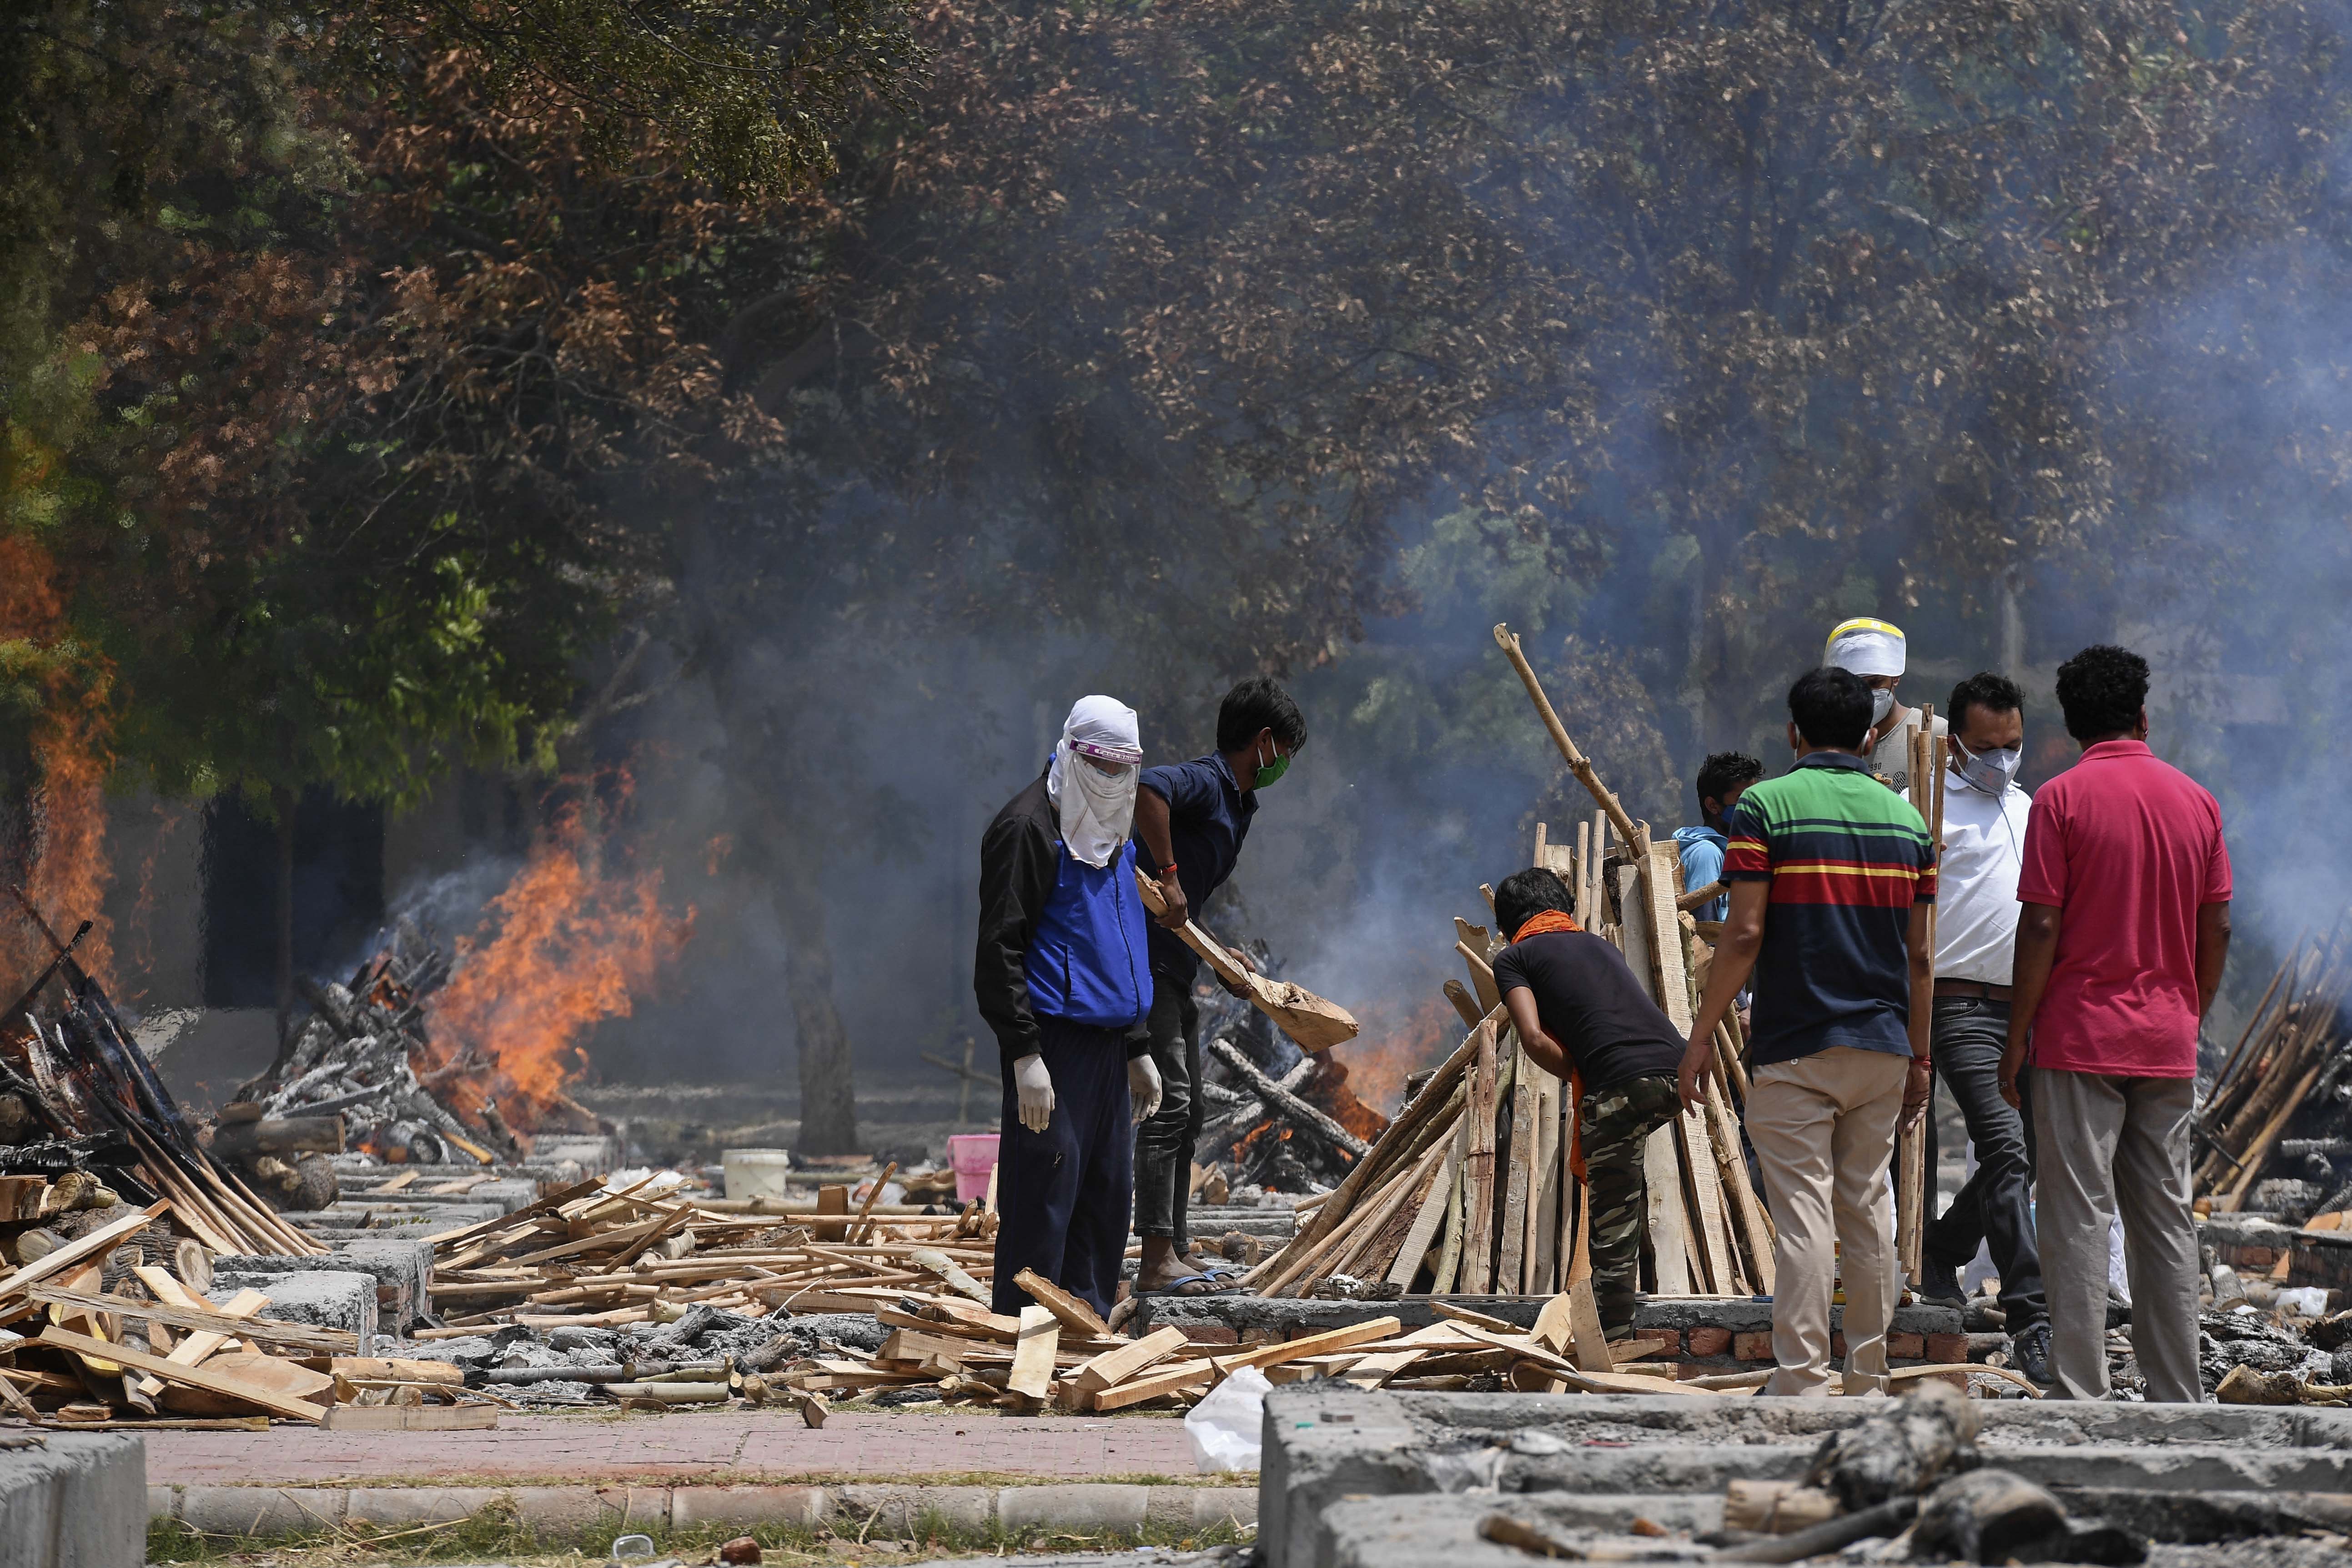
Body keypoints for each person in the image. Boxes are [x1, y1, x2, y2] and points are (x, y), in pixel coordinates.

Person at [1681, 666, 1936, 1396]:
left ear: (1792, 733)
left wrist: (1701, 1036)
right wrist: (1922, 1055)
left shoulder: (1766, 806)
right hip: (1884, 1046)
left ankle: (1799, 1378)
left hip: (1797, 1044)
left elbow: (1744, 932)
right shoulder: (1908, 822)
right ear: (1867, 735)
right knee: (1867, 1212)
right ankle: (1869, 1375)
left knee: (1801, 1216)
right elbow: (1920, 957)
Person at [2000, 646, 2231, 1404]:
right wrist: (2187, 1008)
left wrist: (2017, 1033)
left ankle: (2081, 1388)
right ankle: (2177, 1389)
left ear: (2070, 723)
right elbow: (2216, 923)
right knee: (2163, 1215)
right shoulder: (2195, 801)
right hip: (2165, 1040)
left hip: (2077, 1038)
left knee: (2076, 1215)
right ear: (2141, 713)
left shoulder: (2059, 801)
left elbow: (2039, 925)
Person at [974, 696, 1166, 1319]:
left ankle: (1082, 1333)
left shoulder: (1115, 829)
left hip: (1109, 1049)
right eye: (1101, 766)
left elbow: (1121, 938)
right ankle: (1024, 1341)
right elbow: (999, 950)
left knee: (1106, 1198)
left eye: (1125, 768)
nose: (1113, 781)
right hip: (1052, 1044)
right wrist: (1025, 1055)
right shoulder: (1027, 828)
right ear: (1072, 753)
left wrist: (1137, 1045)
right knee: (1045, 1195)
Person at [1130, 677, 1307, 1297]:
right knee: (1168, 1107)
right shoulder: (1206, 780)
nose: (1284, 764)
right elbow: (1146, 789)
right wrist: (1171, 875)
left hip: (1175, 967)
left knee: (1193, 1111)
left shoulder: (1237, 803)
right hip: (1143, 968)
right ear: (1262, 742)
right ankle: (1154, 1264)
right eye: (1284, 750)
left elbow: (1184, 907)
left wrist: (1214, 950)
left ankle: (1174, 1248)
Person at [1912, 672, 2050, 1387]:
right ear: (1956, 744)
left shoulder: (2029, 809)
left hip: (2028, 1009)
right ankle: (2031, 1314)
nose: (2002, 760)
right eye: (1988, 747)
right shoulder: (1926, 810)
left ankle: (1943, 1249)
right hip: (1959, 1008)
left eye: (2015, 745)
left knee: (2026, 1149)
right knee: (2002, 1143)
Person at [1491, 867, 1687, 1339]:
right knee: (1621, 1187)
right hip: (1676, 1073)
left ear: (1508, 923)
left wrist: (1581, 1072)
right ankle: (1624, 1316)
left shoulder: (1514, 957)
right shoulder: (1600, 945)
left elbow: (1534, 1039)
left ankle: (1611, 1344)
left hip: (1619, 1082)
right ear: (1564, 908)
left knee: (1612, 1221)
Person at [1824, 616, 1945, 795]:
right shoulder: (1832, 741)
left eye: (1875, 683)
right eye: (1854, 685)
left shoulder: (1933, 732)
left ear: (1895, 678)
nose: (1865, 694)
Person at [1674, 752, 1764, 923]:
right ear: (1713, 806)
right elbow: (1705, 931)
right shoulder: (1707, 854)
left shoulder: (1730, 852)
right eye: (1743, 799)